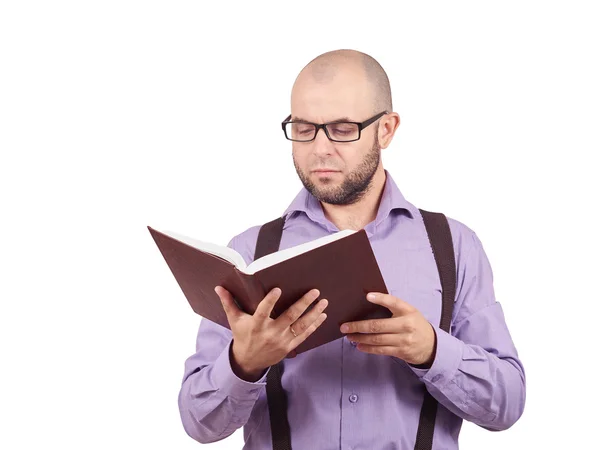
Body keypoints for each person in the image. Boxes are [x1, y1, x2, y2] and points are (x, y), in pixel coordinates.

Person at [178, 49, 526, 449]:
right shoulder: (251, 252)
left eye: (343, 128)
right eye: (305, 128)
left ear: (387, 130)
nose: (320, 149)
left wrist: (432, 350)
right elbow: (198, 423)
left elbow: (508, 404)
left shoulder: (453, 246)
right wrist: (245, 362)